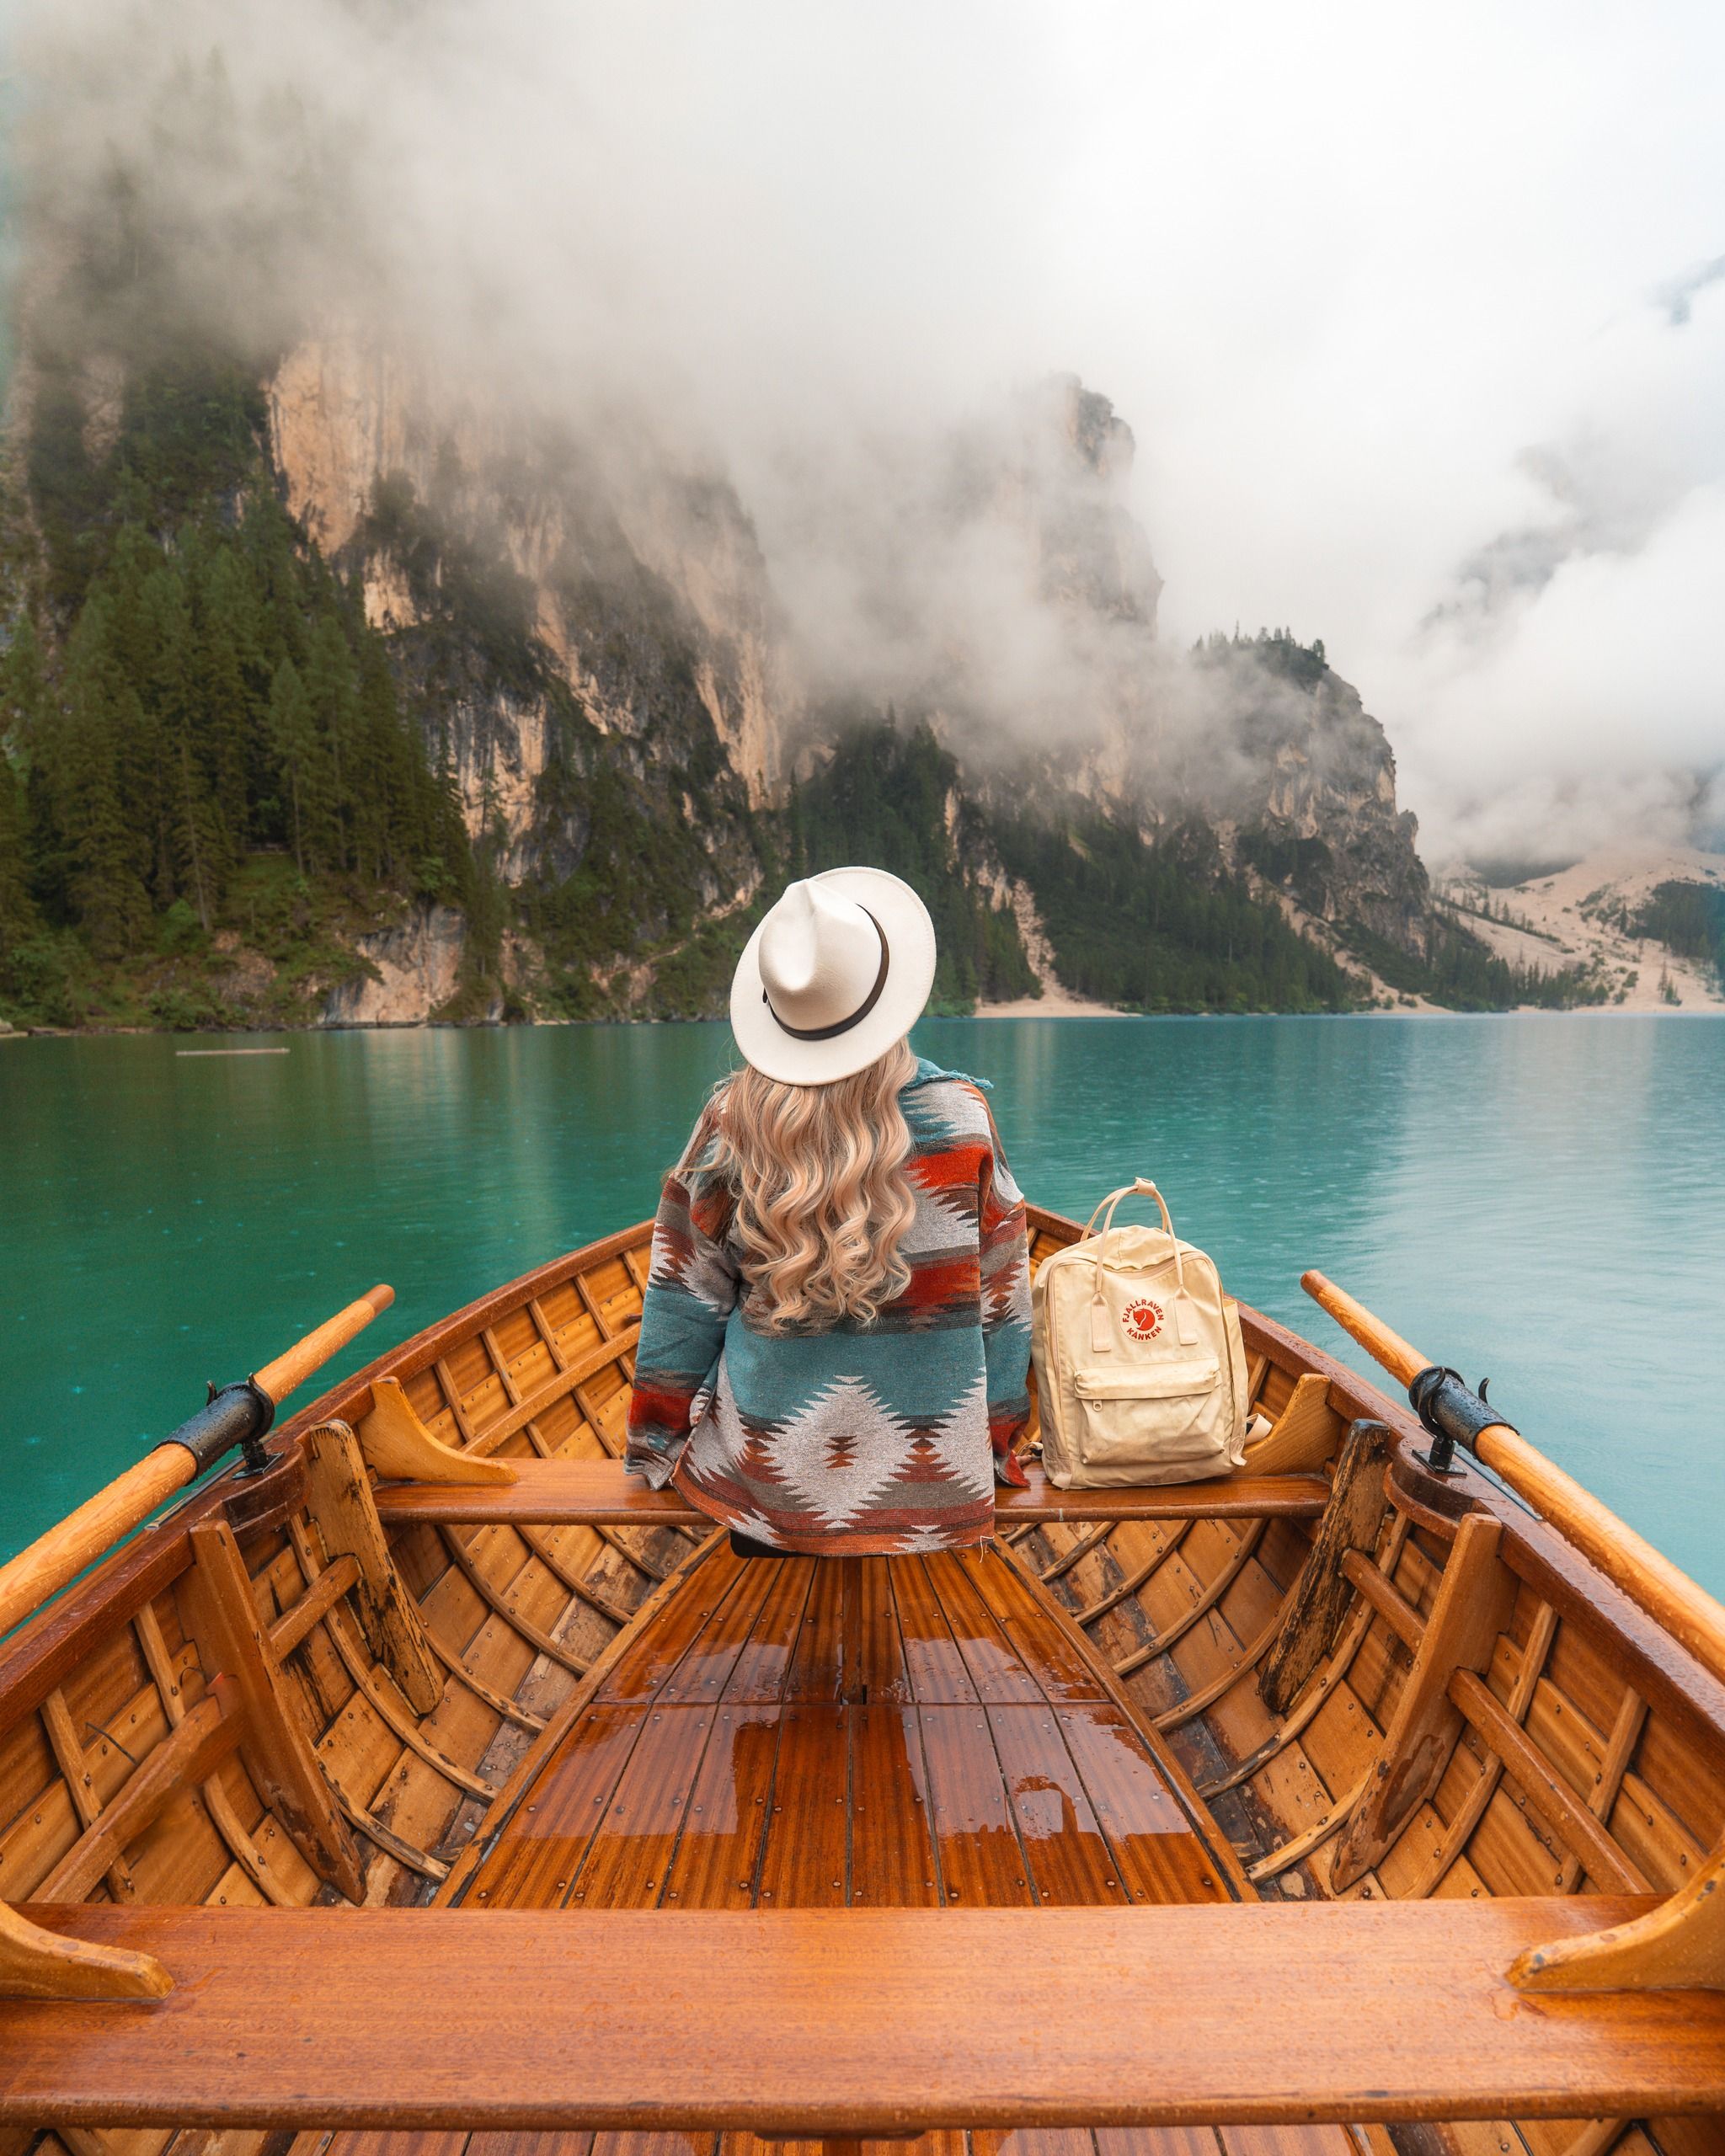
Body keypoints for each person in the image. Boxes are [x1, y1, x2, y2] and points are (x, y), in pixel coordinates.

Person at [624, 866, 1032, 1556]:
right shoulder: (963, 1121)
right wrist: (995, 1446)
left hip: (766, 1491)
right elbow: (1005, 1304)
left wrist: (654, 1447)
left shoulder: (731, 1125)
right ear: (890, 993)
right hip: (934, 1495)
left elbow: (682, 1306)